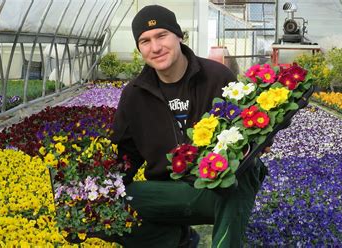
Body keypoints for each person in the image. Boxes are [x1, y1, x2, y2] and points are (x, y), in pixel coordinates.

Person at [111, 5, 267, 248]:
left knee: (243, 175)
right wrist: (93, 187)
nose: (155, 47)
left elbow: (250, 127)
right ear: (139, 48)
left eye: (162, 35)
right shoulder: (134, 95)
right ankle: (174, 241)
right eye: (145, 41)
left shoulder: (217, 77)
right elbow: (125, 156)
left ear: (179, 36)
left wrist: (262, 141)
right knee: (104, 205)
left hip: (216, 188)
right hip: (167, 191)